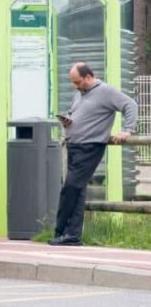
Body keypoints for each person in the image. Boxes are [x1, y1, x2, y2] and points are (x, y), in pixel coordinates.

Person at [48, 62, 138, 246]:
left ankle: (61, 230)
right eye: (73, 83)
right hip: (75, 145)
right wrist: (68, 120)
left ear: (88, 77)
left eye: (77, 82)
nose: (75, 86)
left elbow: (130, 104)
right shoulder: (80, 93)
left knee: (70, 188)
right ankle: (71, 236)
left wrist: (127, 130)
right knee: (78, 190)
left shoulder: (105, 91)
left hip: (89, 147)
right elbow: (78, 113)